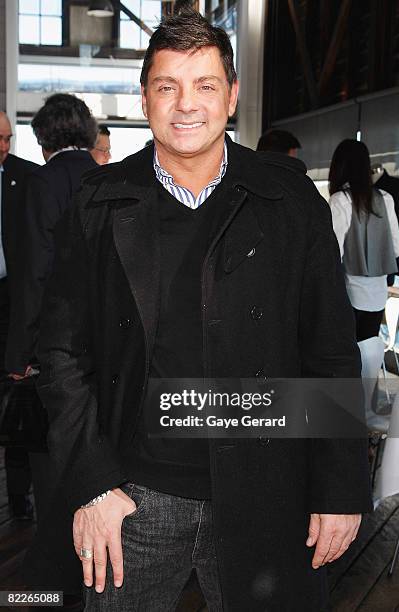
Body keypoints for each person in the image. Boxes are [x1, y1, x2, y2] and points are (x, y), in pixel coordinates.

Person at [26, 9, 372, 612]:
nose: (187, 105)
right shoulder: (100, 202)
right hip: (134, 496)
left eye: (205, 86)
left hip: (268, 488)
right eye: (168, 86)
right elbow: (60, 352)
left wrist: (340, 487)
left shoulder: (289, 199)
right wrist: (94, 485)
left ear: (233, 95)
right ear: (144, 98)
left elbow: (329, 348)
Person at [0, 111, 38, 520]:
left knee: (15, 401)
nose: (4, 146)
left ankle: (19, 497)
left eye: (8, 138)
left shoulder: (26, 177)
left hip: (12, 300)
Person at [329, 139, 399, 342]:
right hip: (378, 296)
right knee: (369, 356)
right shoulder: (385, 198)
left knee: (348, 359)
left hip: (349, 295)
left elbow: (333, 253)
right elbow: (395, 246)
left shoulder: (340, 200)